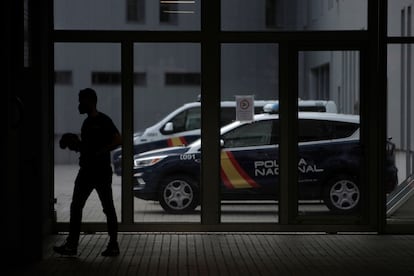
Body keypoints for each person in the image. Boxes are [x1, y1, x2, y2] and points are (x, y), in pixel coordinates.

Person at [54, 88, 122, 257]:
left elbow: (118, 140)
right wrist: (77, 145)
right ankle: (72, 246)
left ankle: (113, 245)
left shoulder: (104, 120)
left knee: (107, 208)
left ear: (90, 102)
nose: (78, 104)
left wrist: (100, 151)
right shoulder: (86, 123)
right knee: (76, 206)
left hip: (100, 172)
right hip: (86, 171)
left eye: (81, 101)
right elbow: (87, 148)